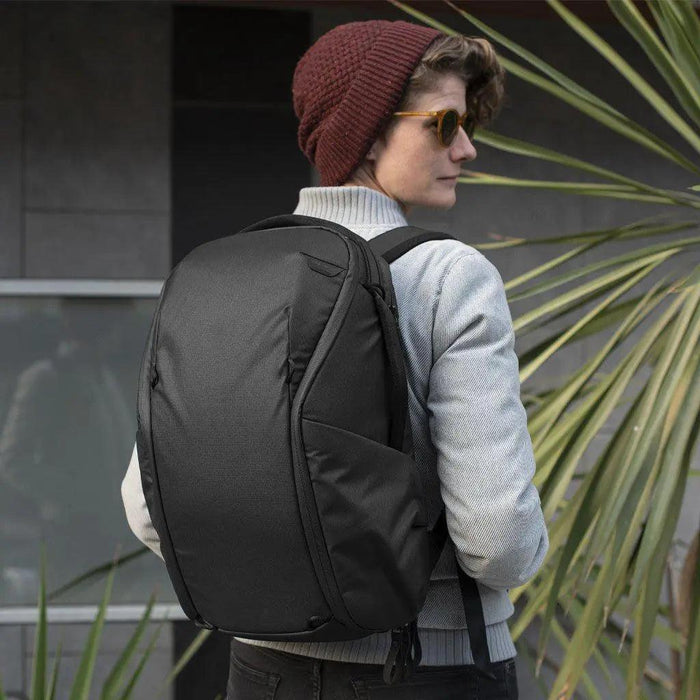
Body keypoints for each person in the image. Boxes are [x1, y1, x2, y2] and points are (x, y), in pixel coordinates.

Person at [121, 18, 549, 700]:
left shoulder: (225, 272)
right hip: (426, 667)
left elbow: (147, 511)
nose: (466, 148)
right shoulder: (450, 275)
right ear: (370, 130)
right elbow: (497, 540)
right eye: (444, 124)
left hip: (261, 669)